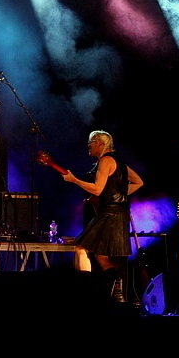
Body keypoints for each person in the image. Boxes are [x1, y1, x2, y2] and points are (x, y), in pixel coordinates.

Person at [61, 130, 144, 303]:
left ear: (100, 143)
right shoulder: (119, 162)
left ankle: (86, 290)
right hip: (119, 214)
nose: (88, 145)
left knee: (81, 249)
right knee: (101, 255)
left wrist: (74, 180)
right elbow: (138, 182)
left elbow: (97, 189)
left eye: (91, 141)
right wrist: (119, 193)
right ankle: (117, 291)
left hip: (109, 213)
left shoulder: (105, 160)